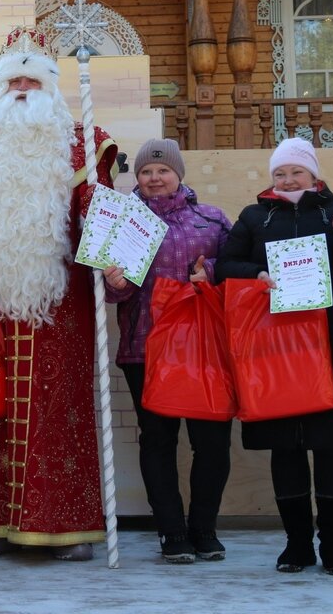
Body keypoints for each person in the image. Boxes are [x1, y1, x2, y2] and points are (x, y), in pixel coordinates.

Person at [0, 28, 118, 561]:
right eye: (12, 78)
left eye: (31, 78)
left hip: (59, 302)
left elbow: (101, 217)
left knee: (59, 411)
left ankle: (64, 528)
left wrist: (114, 262)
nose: (20, 86)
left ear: (50, 87)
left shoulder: (85, 142)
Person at [216, 136, 333, 576]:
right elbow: (224, 266)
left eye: (297, 172)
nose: (289, 180)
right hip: (274, 349)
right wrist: (258, 273)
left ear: (314, 175)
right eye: (281, 173)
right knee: (285, 449)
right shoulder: (254, 217)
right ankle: (296, 545)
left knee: (332, 448)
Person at [103, 138, 234, 564]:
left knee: (211, 442)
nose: (155, 178)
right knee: (158, 441)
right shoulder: (123, 221)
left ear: (178, 174)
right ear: (137, 178)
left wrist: (210, 272)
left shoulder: (211, 219)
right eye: (146, 172)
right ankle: (171, 532)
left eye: (162, 170)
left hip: (203, 348)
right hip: (145, 347)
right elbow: (113, 295)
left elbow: (238, 270)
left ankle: (204, 529)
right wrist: (115, 283)